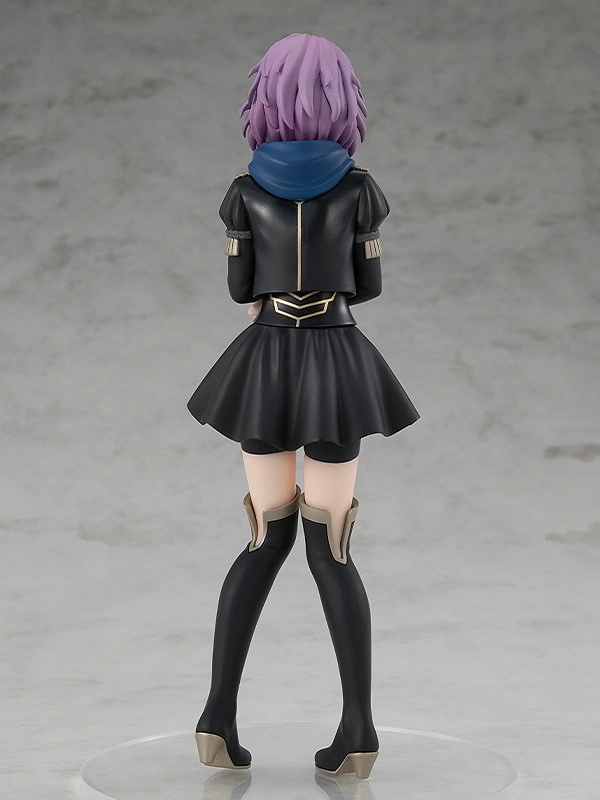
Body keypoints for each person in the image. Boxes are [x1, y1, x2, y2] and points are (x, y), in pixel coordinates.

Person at [187, 33, 419, 779]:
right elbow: (368, 287)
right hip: (336, 361)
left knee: (265, 537)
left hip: (266, 364)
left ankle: (216, 717)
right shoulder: (360, 189)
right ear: (344, 100)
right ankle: (358, 731)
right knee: (333, 545)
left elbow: (239, 290)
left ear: (264, 100)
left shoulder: (242, 191)